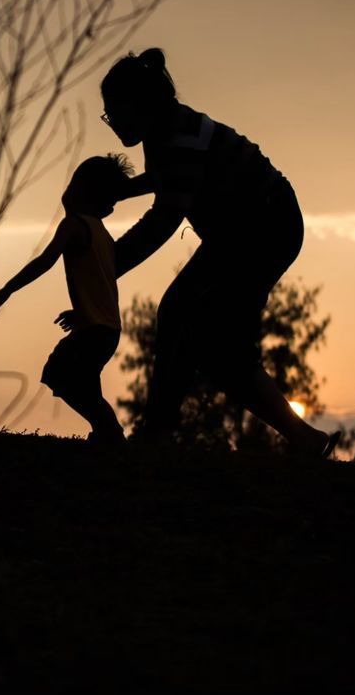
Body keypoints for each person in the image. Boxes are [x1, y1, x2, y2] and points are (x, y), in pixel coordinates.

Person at [101, 47, 339, 458]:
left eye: (115, 113)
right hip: (240, 230)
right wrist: (127, 190)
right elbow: (168, 178)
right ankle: (300, 439)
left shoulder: (178, 135)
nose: (113, 123)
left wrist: (106, 268)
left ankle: (159, 432)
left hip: (266, 227)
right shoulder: (165, 129)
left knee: (210, 337)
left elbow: (164, 220)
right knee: (184, 318)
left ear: (139, 105)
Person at [0, 155, 133, 446]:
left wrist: (7, 290)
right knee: (85, 383)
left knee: (61, 374)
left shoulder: (74, 225)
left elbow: (45, 261)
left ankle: (111, 434)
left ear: (85, 192)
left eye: (76, 184)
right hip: (105, 328)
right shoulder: (102, 234)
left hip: (95, 330)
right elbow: (102, 283)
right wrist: (82, 311)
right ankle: (106, 436)